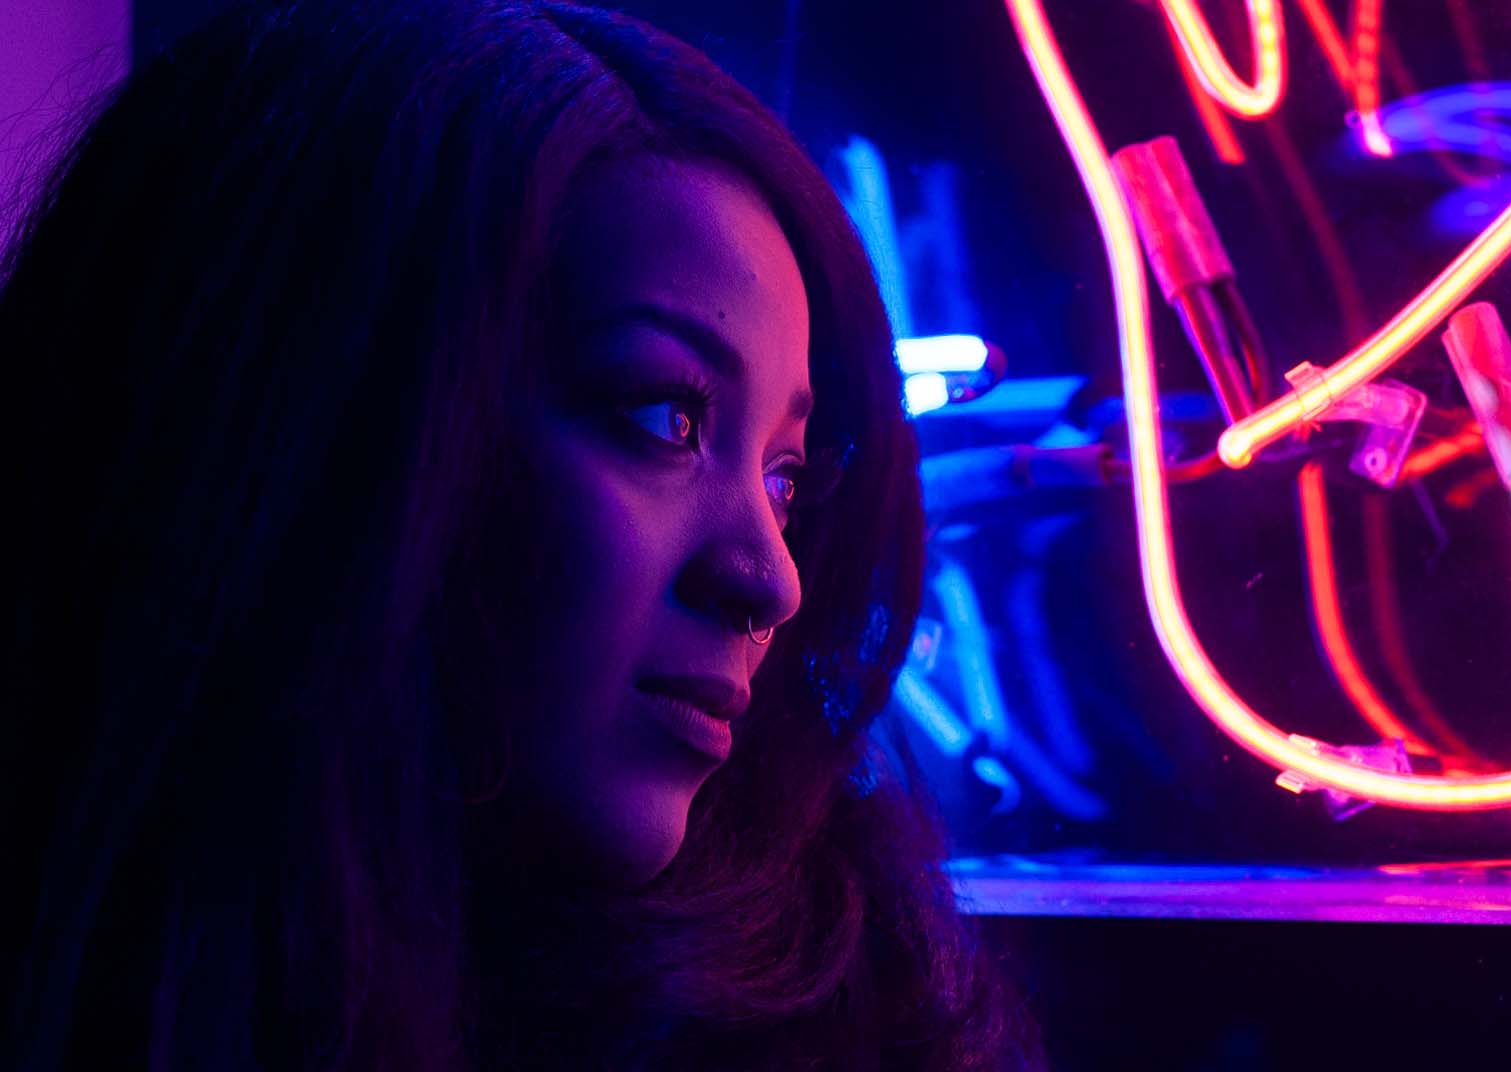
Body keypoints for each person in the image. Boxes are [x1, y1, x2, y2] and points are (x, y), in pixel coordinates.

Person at [0, 1, 1036, 1066]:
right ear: (316, 417)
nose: (768, 580)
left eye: (784, 481)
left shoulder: (850, 1020)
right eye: (663, 419)